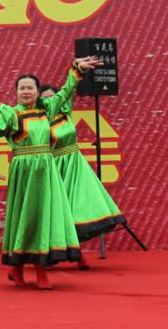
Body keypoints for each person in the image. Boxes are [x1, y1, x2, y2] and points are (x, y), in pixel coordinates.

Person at [0, 56, 102, 290]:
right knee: (27, 218)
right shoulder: (9, 114)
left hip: (47, 170)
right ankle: (31, 271)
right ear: (16, 92)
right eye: (21, 88)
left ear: (38, 91)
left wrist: (76, 70)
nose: (26, 91)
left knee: (44, 217)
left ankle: (22, 270)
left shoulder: (48, 108)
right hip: (24, 172)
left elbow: (65, 91)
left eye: (30, 88)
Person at [40, 83, 127, 268]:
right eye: (44, 98)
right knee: (58, 215)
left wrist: (78, 70)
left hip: (75, 167)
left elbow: (69, 88)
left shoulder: (65, 113)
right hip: (54, 170)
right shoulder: (38, 122)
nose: (49, 100)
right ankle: (55, 255)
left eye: (52, 97)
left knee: (78, 212)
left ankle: (78, 256)